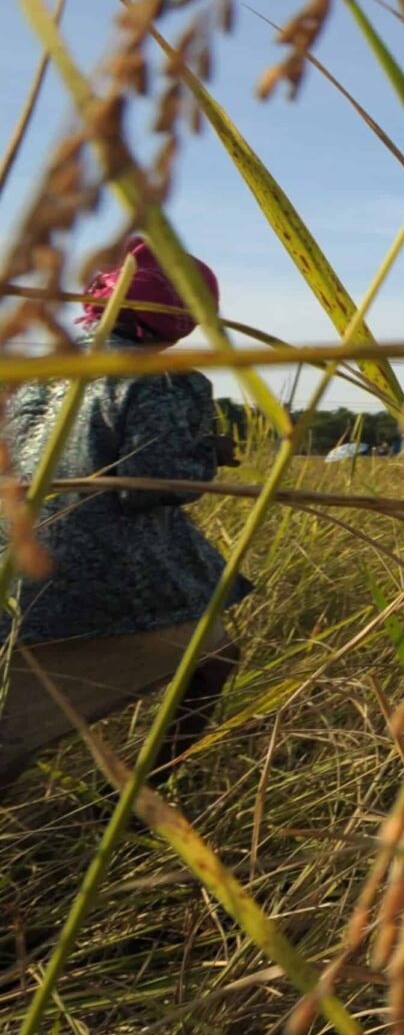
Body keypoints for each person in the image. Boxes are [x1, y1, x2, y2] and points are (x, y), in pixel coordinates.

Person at [1, 236, 243, 795]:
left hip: (15, 563)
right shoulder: (164, 379)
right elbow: (151, 482)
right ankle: (137, 803)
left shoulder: (35, 367)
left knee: (16, 717)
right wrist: (208, 451)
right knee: (214, 659)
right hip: (97, 582)